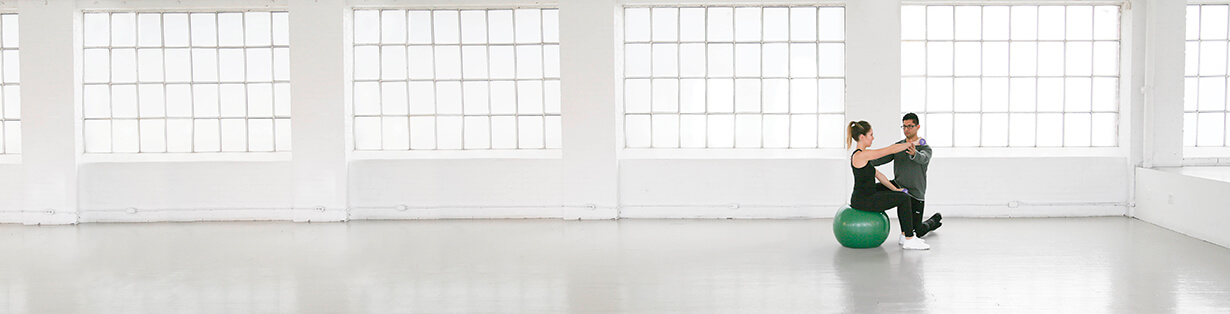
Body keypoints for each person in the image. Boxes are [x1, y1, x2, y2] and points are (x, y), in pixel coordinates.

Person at [846, 120, 930, 250]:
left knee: (901, 195)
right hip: (864, 200)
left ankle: (904, 236)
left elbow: (880, 176)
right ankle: (909, 238)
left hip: (866, 196)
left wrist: (897, 189)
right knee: (904, 199)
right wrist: (914, 143)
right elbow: (890, 150)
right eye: (871, 135)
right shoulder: (861, 155)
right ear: (862, 137)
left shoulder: (864, 158)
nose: (873, 138)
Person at [870, 113, 942, 244]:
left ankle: (933, 221)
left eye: (910, 126)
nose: (906, 129)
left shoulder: (925, 148)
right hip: (898, 186)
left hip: (915, 194)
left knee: (917, 231)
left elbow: (923, 158)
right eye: (904, 126)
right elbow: (882, 158)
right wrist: (864, 160)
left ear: (917, 126)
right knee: (872, 189)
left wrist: (914, 153)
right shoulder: (898, 146)